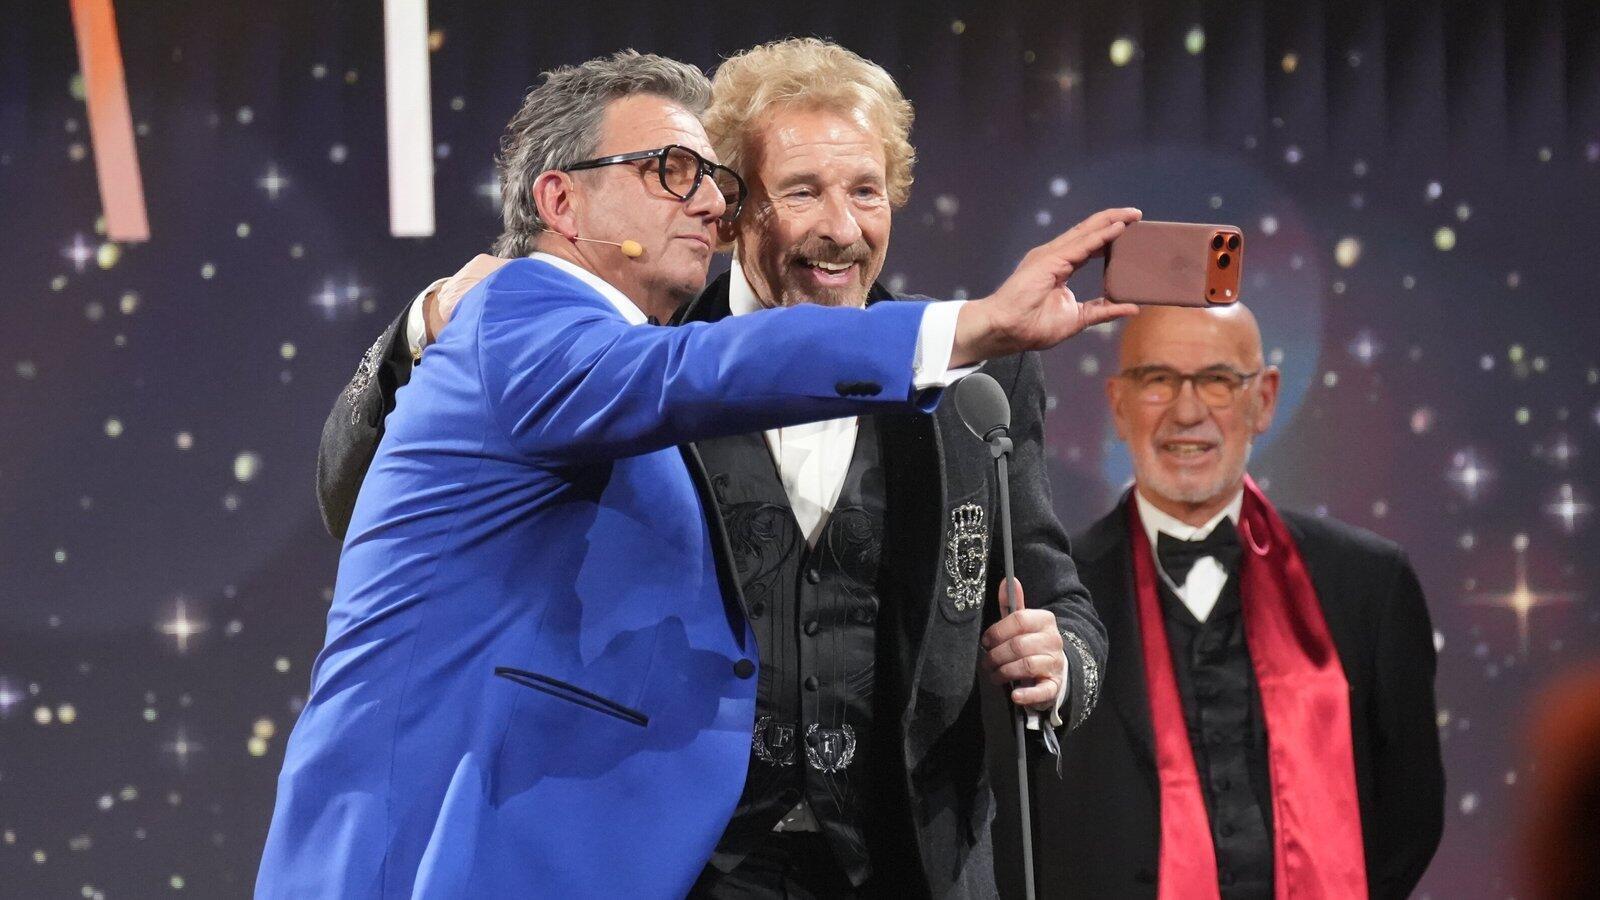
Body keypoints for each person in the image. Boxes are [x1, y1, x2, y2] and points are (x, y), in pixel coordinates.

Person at [264, 48, 1140, 898]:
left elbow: (1049, 590)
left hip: (904, 858)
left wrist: (1060, 664)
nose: (840, 227)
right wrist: (420, 326)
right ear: (740, 210)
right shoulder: (617, 343)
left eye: (866, 190)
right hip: (657, 857)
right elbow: (704, 375)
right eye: (799, 190)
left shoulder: (975, 388)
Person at [1031, 304, 1445, 899]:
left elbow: (1411, 812)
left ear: (1265, 399)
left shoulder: (1371, 584)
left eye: (1218, 380)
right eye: (1157, 379)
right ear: (1119, 404)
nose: (1187, 412)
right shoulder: (1050, 598)